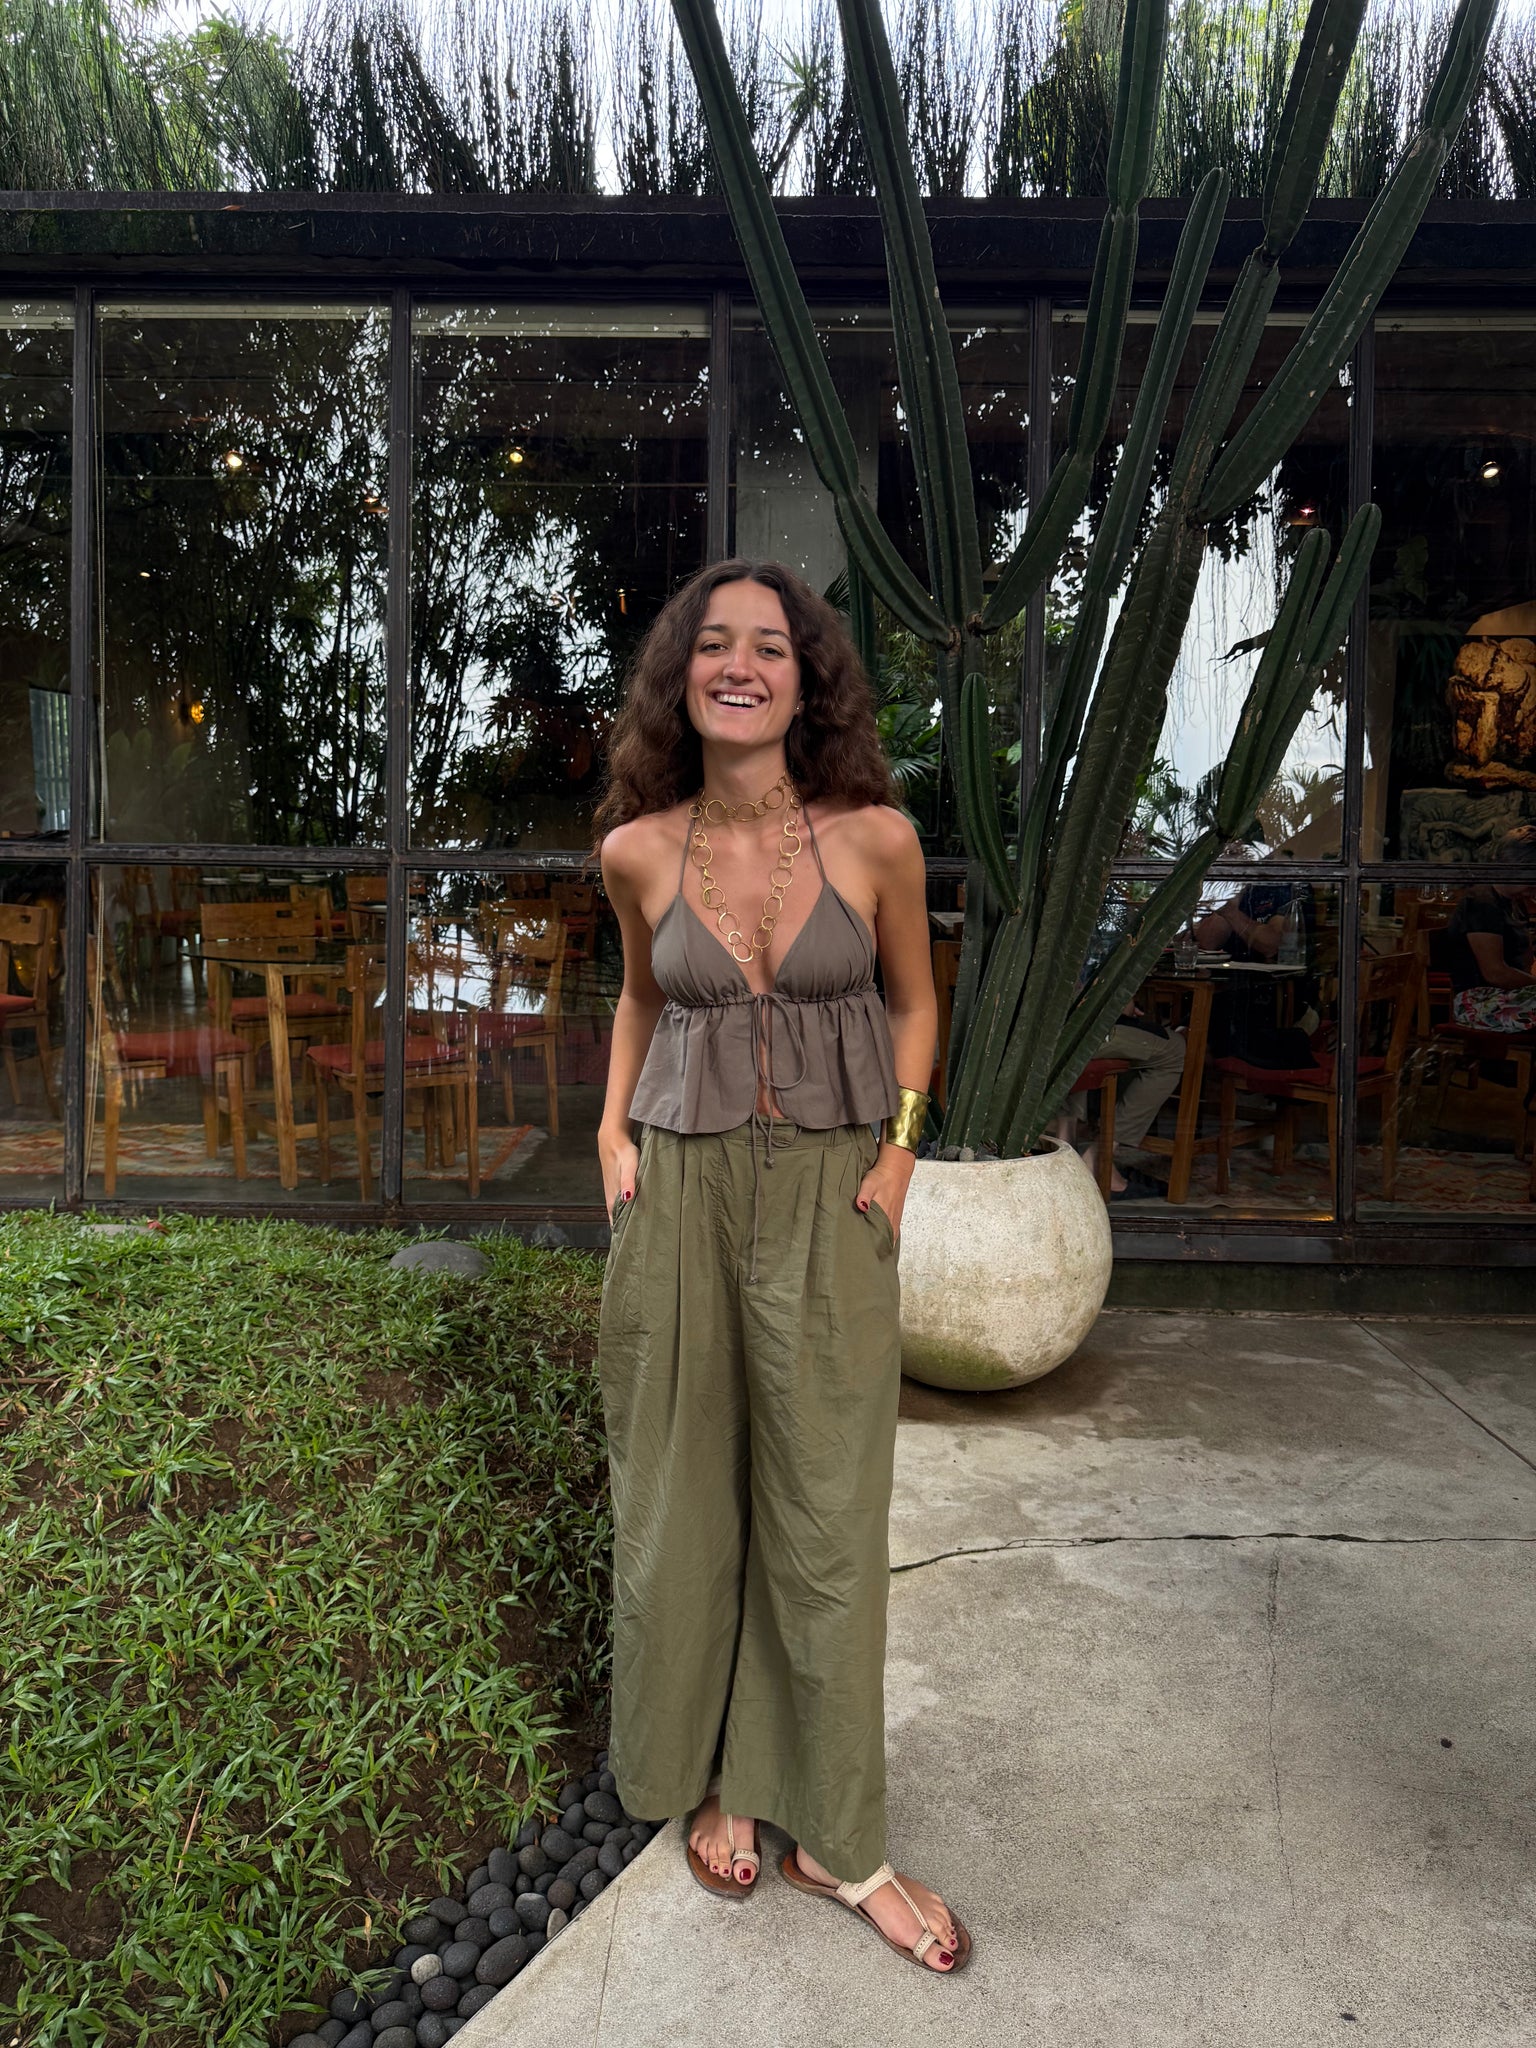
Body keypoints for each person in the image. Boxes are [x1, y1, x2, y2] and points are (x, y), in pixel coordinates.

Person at [592, 559, 969, 1974]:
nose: (738, 665)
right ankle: (721, 1780)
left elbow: (915, 1002)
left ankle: (839, 1837)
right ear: (680, 677)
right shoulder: (638, 851)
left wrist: (902, 1152)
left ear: (807, 681)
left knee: (823, 1513)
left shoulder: (876, 839)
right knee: (684, 1495)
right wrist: (612, 1134)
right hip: (682, 1190)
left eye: (769, 646)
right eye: (712, 644)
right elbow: (640, 999)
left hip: (829, 1191)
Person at [1444, 825, 1536, 1030]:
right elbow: (1495, 973)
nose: (1534, 888)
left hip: (1511, 995)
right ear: (1514, 869)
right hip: (1479, 1002)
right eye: (1531, 881)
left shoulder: (1515, 903)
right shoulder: (1481, 902)